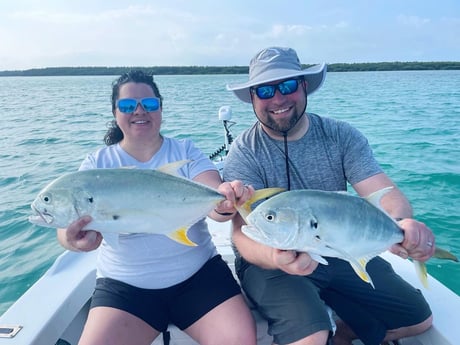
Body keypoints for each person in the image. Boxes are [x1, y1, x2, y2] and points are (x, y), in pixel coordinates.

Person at [223, 47, 434, 345]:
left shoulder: (340, 135)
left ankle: (344, 332)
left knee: (417, 319)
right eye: (265, 90)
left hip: (337, 246)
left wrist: (402, 224)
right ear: (253, 98)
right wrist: (275, 257)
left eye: (287, 86)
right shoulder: (245, 152)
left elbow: (383, 193)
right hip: (270, 258)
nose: (278, 99)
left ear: (304, 86)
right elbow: (241, 232)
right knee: (311, 336)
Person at [57, 70, 256, 345]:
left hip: (198, 278)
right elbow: (65, 227)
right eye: (128, 106)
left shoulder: (185, 151)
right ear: (115, 112)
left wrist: (224, 202)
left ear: (160, 108)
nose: (140, 111)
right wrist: (72, 240)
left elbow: (213, 197)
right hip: (125, 288)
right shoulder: (97, 165)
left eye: (149, 104)